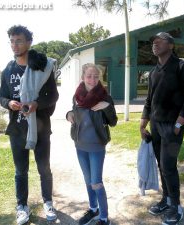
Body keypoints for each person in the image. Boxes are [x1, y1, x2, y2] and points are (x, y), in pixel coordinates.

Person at [0, 25, 59, 225]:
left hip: (40, 127)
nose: (15, 45)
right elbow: (2, 96)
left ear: (29, 42)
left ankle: (48, 202)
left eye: (19, 41)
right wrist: (9, 103)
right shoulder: (8, 69)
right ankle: (22, 206)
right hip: (17, 129)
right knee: (20, 171)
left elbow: (53, 95)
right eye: (12, 41)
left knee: (44, 169)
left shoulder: (42, 67)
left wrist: (36, 104)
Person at [140, 32, 184, 225]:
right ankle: (166, 199)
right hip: (156, 126)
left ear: (171, 45)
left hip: (172, 127)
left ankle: (176, 206)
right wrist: (143, 122)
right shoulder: (154, 71)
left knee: (168, 166)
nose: (155, 44)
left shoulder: (182, 67)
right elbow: (149, 99)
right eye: (153, 42)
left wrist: (179, 122)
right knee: (161, 165)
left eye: (160, 41)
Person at [66, 63, 117, 225]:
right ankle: (93, 208)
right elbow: (74, 112)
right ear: (82, 77)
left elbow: (113, 122)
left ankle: (104, 218)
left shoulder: (105, 97)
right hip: (80, 145)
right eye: (89, 76)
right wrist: (68, 114)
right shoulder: (77, 96)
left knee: (96, 182)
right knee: (88, 180)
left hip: (96, 146)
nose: (93, 79)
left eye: (96, 76)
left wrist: (107, 107)